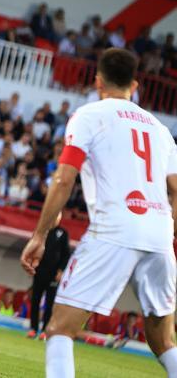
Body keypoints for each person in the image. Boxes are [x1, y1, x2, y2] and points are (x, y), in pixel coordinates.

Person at [20, 48, 177, 378]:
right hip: (159, 234)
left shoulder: (89, 115)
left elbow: (65, 177)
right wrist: (169, 229)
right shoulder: (160, 130)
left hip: (114, 230)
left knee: (60, 328)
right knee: (163, 339)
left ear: (98, 81)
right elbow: (176, 189)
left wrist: (40, 235)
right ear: (134, 85)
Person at [27, 213, 70, 339]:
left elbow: (66, 254)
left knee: (49, 304)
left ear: (60, 218)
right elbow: (32, 249)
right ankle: (33, 329)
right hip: (39, 272)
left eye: (57, 216)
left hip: (53, 274)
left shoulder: (63, 233)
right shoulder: (41, 231)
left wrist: (61, 270)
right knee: (35, 300)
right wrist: (31, 263)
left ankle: (45, 331)